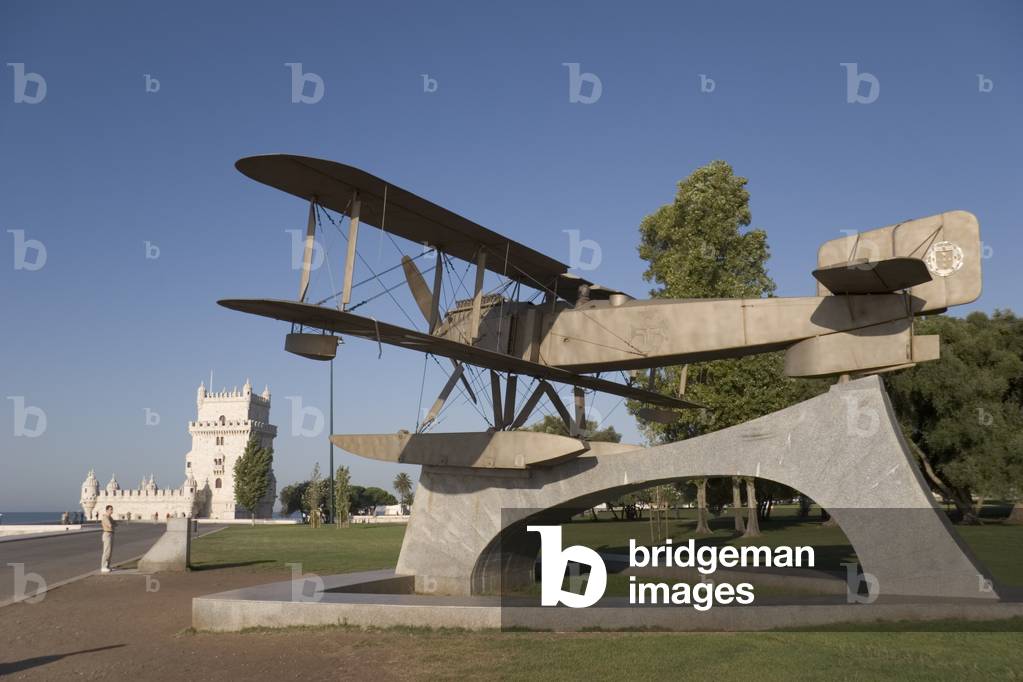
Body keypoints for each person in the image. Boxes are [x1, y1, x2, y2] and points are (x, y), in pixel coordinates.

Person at [100, 505, 116, 573]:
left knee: (110, 551)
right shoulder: (105, 517)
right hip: (107, 534)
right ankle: (103, 566)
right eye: (110, 509)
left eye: (112, 509)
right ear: (107, 510)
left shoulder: (110, 517)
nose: (112, 511)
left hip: (111, 533)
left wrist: (113, 524)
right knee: (106, 551)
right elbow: (110, 525)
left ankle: (107, 566)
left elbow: (115, 524)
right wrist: (112, 525)